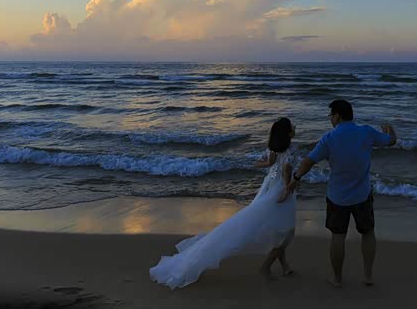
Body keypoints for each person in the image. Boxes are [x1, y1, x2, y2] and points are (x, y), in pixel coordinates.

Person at [150, 118, 298, 287]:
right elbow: (286, 171)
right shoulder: (292, 149)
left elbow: (260, 163)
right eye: (292, 126)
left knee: (279, 230)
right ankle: (265, 268)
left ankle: (284, 266)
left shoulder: (273, 148)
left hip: (268, 188)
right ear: (287, 133)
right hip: (280, 191)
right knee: (285, 232)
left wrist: (269, 163)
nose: (294, 127)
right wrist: (286, 190)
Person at [280, 100, 397, 288]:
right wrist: (390, 129)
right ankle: (368, 276)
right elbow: (391, 141)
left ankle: (337, 278)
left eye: (331, 115)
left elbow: (309, 161)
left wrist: (296, 178)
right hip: (362, 195)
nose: (330, 119)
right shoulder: (366, 132)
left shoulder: (330, 138)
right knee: (368, 233)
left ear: (338, 115)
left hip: (337, 197)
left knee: (338, 236)